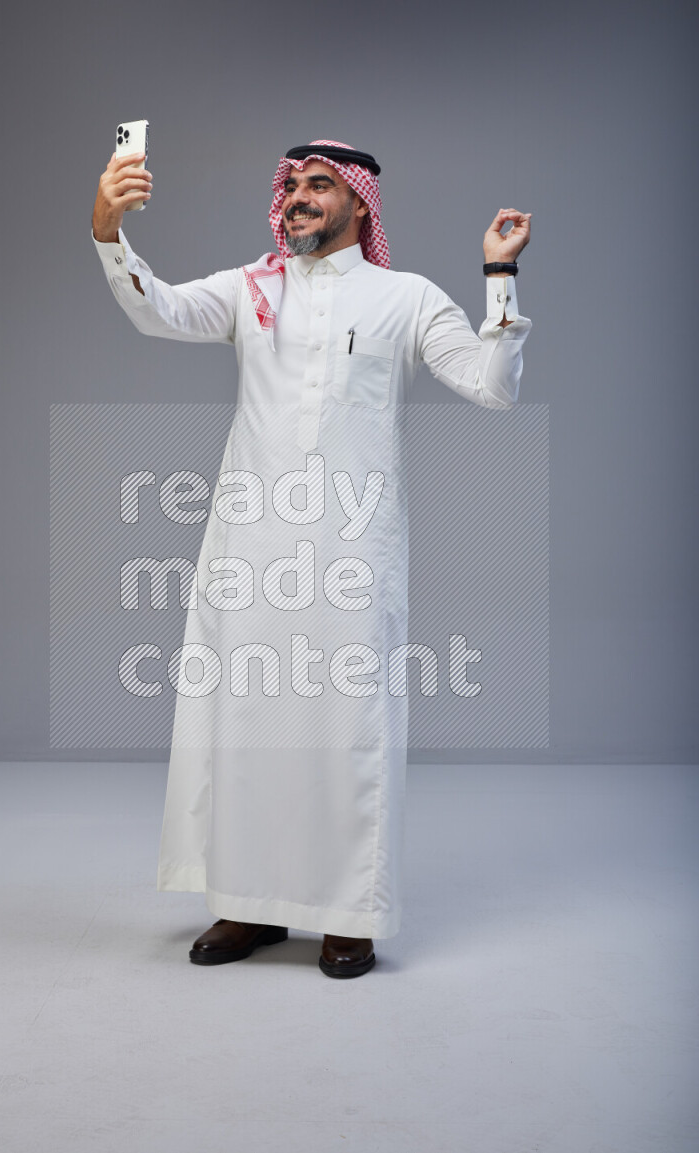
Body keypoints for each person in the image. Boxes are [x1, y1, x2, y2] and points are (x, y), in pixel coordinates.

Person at [91, 138, 532, 978]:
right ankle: (247, 906)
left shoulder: (405, 297)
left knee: (344, 732)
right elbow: (161, 309)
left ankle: (347, 914)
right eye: (291, 184)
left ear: (360, 204)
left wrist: (497, 276)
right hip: (249, 548)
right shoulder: (251, 288)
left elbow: (492, 384)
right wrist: (109, 233)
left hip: (351, 552)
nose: (298, 196)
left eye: (319, 185)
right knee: (246, 727)